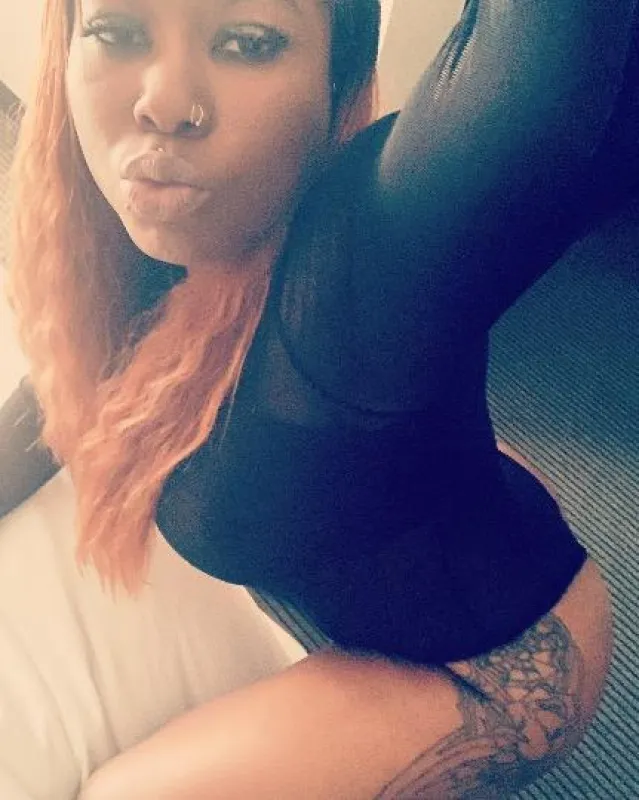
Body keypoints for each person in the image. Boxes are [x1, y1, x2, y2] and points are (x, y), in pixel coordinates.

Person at [1, 0, 638, 796]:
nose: (161, 102)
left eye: (247, 43)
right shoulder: (123, 232)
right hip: (433, 490)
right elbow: (63, 384)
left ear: (335, 82)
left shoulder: (349, 284)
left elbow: (538, 82)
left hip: (502, 672)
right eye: (117, 32)